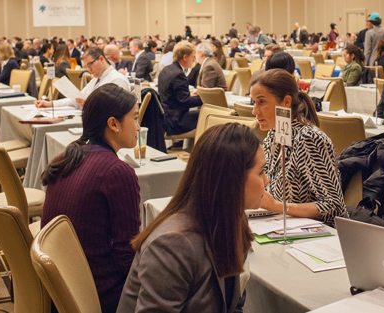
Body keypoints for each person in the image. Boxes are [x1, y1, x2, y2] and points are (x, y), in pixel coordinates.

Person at [118, 124, 266, 313]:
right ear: (232, 180)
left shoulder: (232, 223)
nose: (266, 180)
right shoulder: (172, 244)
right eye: (261, 172)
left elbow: (234, 304)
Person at [42, 84, 141, 313]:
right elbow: (126, 255)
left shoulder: (69, 155)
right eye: (134, 119)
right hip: (100, 293)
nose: (137, 126)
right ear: (113, 124)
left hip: (64, 286)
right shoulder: (117, 172)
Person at [249, 69, 347, 226]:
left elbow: (333, 206)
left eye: (261, 102)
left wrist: (277, 206)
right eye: (253, 102)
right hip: (279, 223)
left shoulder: (309, 139)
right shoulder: (274, 134)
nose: (255, 111)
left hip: (319, 235)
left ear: (286, 102)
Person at [36, 47, 129, 109]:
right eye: (86, 66)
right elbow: (76, 99)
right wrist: (50, 104)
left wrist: (89, 106)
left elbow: (116, 112)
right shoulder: (96, 79)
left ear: (101, 59)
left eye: (90, 64)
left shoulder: (117, 80)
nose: (88, 69)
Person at [158, 41, 203, 135]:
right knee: (207, 115)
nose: (194, 60)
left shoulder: (166, 69)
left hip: (165, 116)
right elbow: (185, 102)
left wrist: (190, 95)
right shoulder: (178, 74)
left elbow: (175, 96)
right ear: (185, 57)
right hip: (175, 121)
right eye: (193, 57)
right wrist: (203, 99)